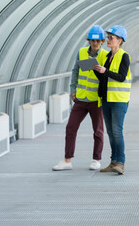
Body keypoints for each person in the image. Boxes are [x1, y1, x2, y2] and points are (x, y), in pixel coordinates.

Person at [52, 25, 108, 171]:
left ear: (102, 41)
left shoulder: (105, 55)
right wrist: (72, 91)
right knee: (71, 127)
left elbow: (107, 77)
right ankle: (67, 160)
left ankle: (96, 159)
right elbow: (75, 72)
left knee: (98, 131)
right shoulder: (81, 52)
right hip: (81, 98)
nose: (95, 43)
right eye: (92, 41)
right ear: (88, 40)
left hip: (96, 100)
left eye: (97, 41)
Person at [93, 25, 131, 175]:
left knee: (117, 131)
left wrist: (105, 71)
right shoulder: (107, 56)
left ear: (120, 40)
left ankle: (120, 163)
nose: (107, 40)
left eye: (110, 37)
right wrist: (96, 69)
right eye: (107, 37)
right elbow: (104, 78)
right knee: (110, 131)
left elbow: (121, 77)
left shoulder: (124, 56)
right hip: (106, 98)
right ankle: (113, 161)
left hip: (119, 100)